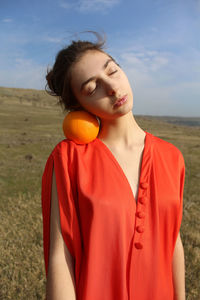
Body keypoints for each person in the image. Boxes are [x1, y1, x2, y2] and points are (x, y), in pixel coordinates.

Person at [41, 32, 186, 300]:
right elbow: (61, 256)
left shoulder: (172, 157)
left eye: (113, 71)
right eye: (91, 88)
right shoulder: (69, 159)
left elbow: (172, 240)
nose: (112, 88)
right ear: (79, 106)